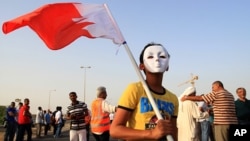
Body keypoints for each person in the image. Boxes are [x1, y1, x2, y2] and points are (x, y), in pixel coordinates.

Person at [110, 42, 179, 141]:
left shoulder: (173, 98)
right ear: (141, 66)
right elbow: (115, 130)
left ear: (168, 65)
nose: (157, 59)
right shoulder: (134, 89)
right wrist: (151, 133)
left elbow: (173, 130)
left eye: (162, 56)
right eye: (150, 56)